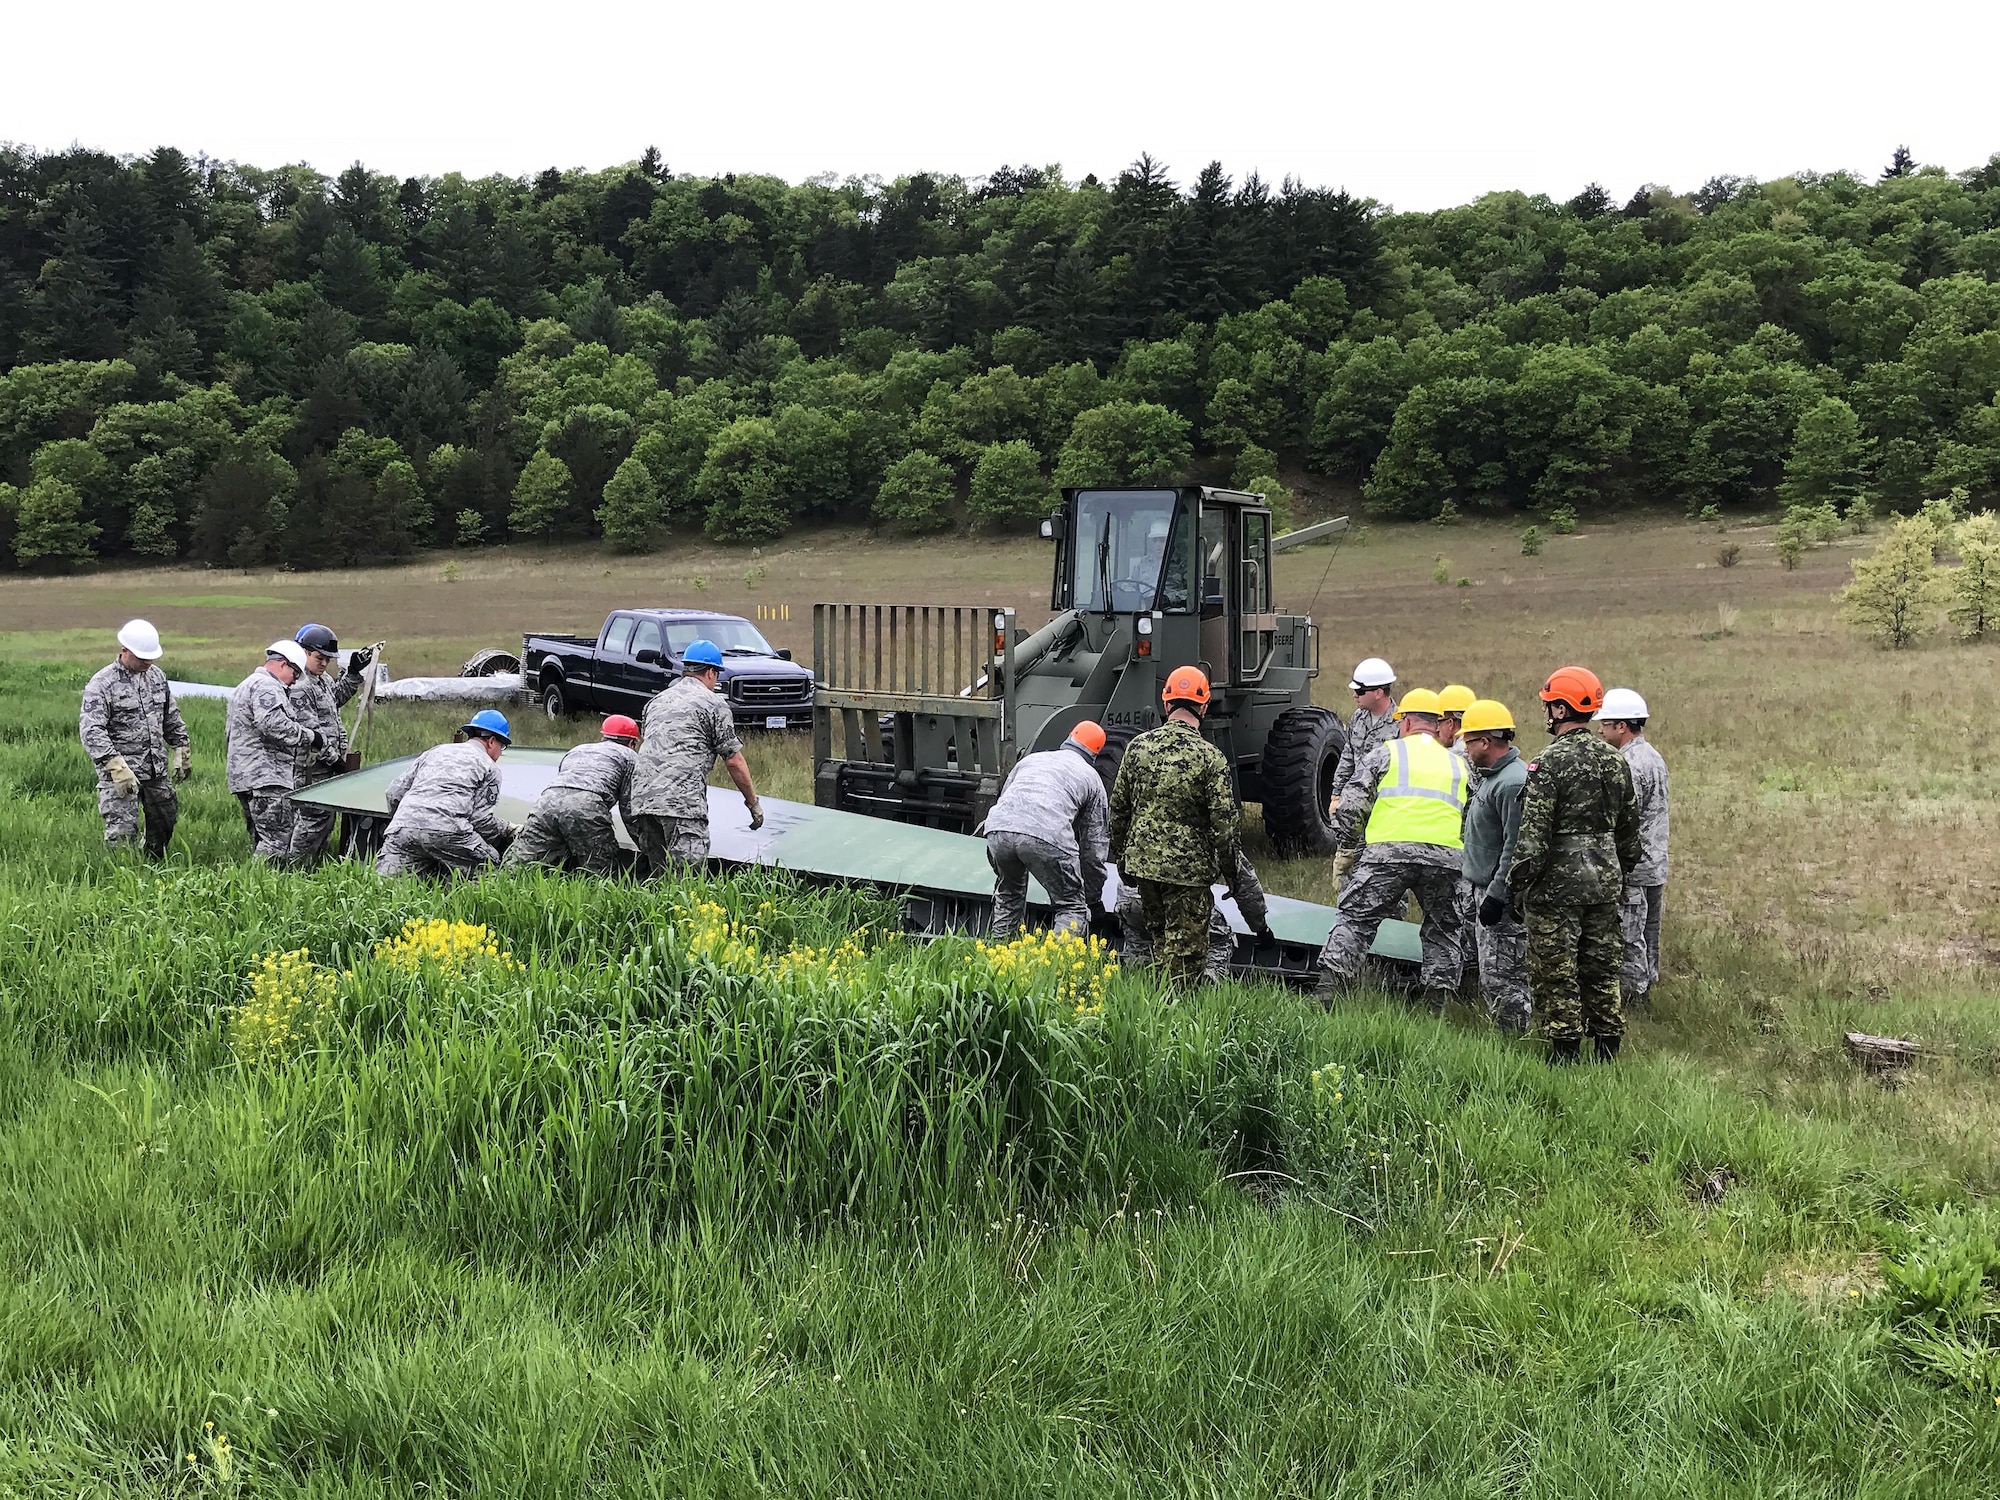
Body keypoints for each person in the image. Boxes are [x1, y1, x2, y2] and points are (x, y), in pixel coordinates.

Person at [1506, 667, 1642, 1064]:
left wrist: (1518, 886)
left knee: (1557, 969)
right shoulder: (1616, 761)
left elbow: (1533, 837)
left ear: (1562, 710)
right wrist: (1618, 872)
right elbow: (1630, 831)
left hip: (1556, 888)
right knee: (1601, 968)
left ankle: (1564, 1054)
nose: (1546, 713)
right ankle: (1607, 1050)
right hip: (1605, 882)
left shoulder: (1547, 763)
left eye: (1549, 705)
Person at [1109, 666, 1266, 986]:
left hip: (1144, 869)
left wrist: (1124, 860)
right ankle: (1178, 1023)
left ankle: (1154, 1017)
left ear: (1166, 704)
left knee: (1160, 945)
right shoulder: (1211, 758)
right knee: (1187, 960)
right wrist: (1233, 877)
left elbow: (1118, 812)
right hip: (1188, 875)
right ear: (1205, 706)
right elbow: (1225, 830)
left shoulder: (1137, 747)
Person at [1315, 688, 1471, 1010]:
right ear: (1436, 723)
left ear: (1407, 723)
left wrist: (1350, 846)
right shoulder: (1458, 765)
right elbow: (1472, 818)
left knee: (1355, 920)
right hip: (1446, 859)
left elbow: (1351, 808)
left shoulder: (1386, 754)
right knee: (1443, 931)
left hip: (1387, 855)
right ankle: (1436, 1007)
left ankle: (1327, 994)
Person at [628, 639, 762, 872]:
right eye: (717, 675)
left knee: (659, 879)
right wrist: (753, 804)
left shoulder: (655, 701)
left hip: (642, 801)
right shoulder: (713, 703)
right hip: (681, 804)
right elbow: (733, 760)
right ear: (710, 672)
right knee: (688, 881)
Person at [983, 721, 1111, 941]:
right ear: (1095, 754)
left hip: (998, 829)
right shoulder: (1091, 778)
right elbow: (1094, 847)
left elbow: (1006, 797)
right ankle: (1055, 965)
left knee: (1008, 896)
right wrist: (1092, 897)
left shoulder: (1031, 760)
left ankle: (997, 957)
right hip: (1047, 834)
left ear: (1069, 738)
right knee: (1071, 906)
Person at [78, 619, 191, 859]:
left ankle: (153, 866)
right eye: (142, 658)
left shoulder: (157, 677)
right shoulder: (102, 684)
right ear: (125, 651)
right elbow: (91, 730)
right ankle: (124, 879)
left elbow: (170, 715)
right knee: (122, 836)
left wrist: (181, 747)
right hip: (121, 774)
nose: (148, 662)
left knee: (165, 820)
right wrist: (115, 766)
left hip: (155, 771)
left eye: (151, 658)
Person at [1459, 699, 1531, 1035]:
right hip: (1483, 890)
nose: (1465, 746)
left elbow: (1514, 846)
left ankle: (1513, 1040)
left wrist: (1497, 896)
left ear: (1485, 742)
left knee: (1505, 975)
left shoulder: (1511, 783)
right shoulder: (1494, 778)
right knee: (1492, 973)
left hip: (1498, 898)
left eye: (1469, 740)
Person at [1597, 687, 1669, 1007]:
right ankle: (1646, 988)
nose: (1599, 729)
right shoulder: (1652, 755)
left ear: (1622, 726)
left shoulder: (1629, 764)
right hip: (1654, 864)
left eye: (1606, 723)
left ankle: (1634, 999)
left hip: (1634, 868)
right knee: (1648, 934)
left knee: (1629, 936)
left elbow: (1625, 819)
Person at [377, 710, 513, 877]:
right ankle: (465, 901)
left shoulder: (435, 752)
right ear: (492, 741)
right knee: (490, 867)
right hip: (448, 831)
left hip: (403, 829)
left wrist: (410, 821)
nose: (500, 753)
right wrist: (506, 830)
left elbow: (394, 793)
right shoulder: (489, 767)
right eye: (502, 747)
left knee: (386, 888)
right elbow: (481, 821)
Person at [502, 714, 641, 875]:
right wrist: (643, 842)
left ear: (603, 736)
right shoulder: (631, 757)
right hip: (587, 805)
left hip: (547, 801)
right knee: (600, 870)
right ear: (632, 743)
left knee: (520, 862)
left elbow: (564, 784)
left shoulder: (578, 749)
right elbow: (629, 808)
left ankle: (493, 886)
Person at [226, 640, 322, 865]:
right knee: (276, 842)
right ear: (282, 665)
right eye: (295, 674)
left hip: (246, 777)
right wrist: (310, 736)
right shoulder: (267, 686)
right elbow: (272, 723)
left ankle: (250, 888)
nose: (294, 681)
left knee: (261, 838)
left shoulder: (246, 685)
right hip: (267, 777)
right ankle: (261, 889)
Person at [1115, 846, 1272, 982]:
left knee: (1142, 939)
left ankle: (1139, 979)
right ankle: (1207, 981)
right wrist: (1260, 927)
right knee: (1219, 940)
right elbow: (1245, 886)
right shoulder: (1205, 828)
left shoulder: (1143, 817)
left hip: (1133, 898)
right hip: (1179, 899)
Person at [286, 623, 372, 867]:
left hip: (328, 764)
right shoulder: (301, 686)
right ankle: (296, 868)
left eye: (327, 659)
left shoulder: (321, 680)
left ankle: (313, 867)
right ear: (303, 653)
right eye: (319, 657)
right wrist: (336, 760)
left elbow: (334, 701)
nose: (324, 663)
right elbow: (313, 733)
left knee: (325, 819)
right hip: (313, 766)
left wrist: (353, 673)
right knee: (312, 819)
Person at [1328, 657, 1398, 891]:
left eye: (1360, 690)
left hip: (1386, 807)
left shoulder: (1401, 724)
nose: (1354, 695)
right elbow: (1348, 755)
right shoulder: (1358, 718)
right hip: (1358, 804)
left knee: (1383, 868)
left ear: (1378, 692)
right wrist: (1337, 794)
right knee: (1351, 863)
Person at [1434, 681, 1481, 996]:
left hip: (1462, 848)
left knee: (1463, 918)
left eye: (1439, 721)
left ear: (1451, 722)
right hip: (1478, 848)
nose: (1436, 728)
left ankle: (1467, 982)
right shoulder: (1479, 748)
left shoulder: (1456, 756)